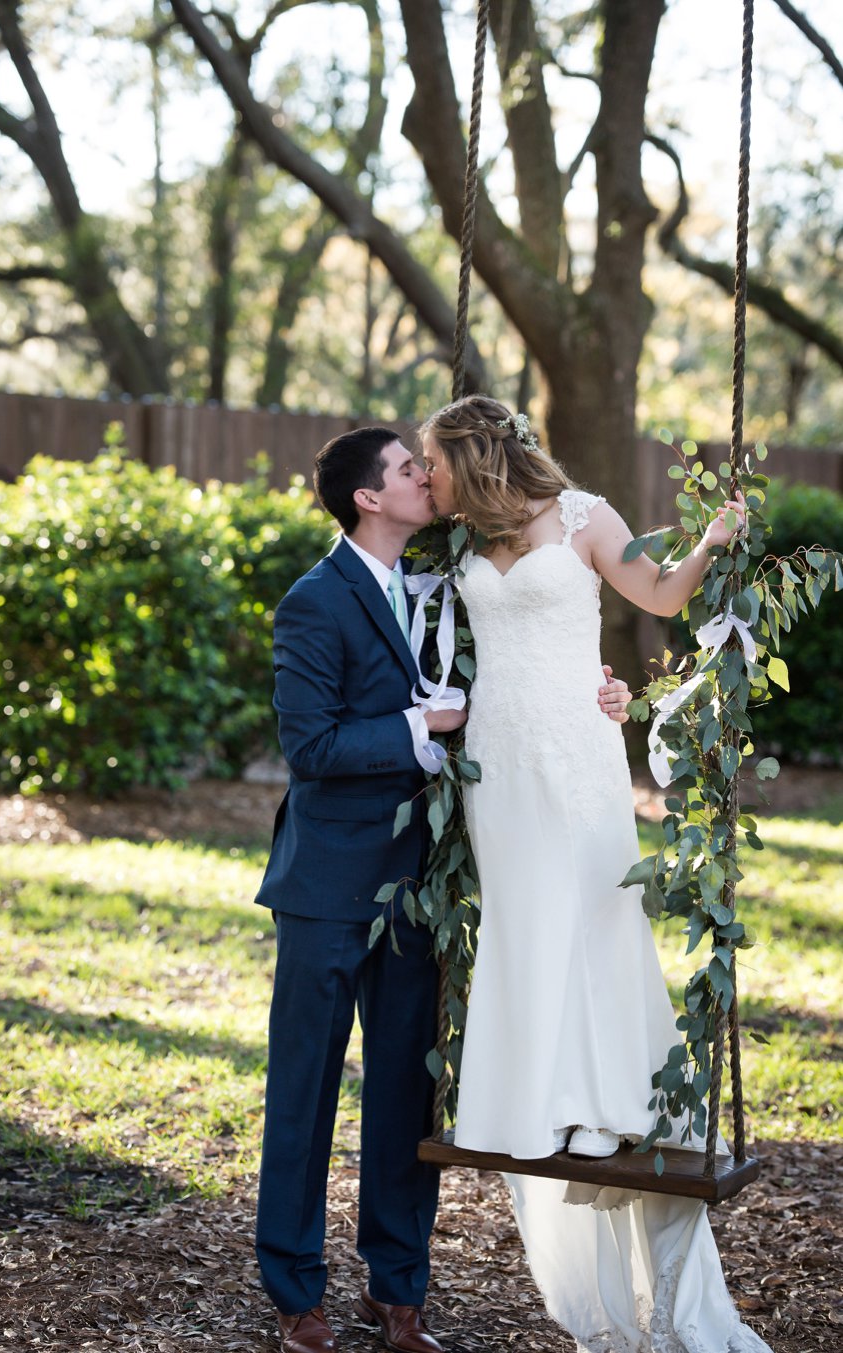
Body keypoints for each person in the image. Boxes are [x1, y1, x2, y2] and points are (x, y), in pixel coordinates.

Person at [253, 424, 632, 1353]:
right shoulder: (314, 601)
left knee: (399, 1096)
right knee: (303, 1089)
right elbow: (311, 748)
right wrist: (421, 726)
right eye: (406, 469)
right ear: (367, 499)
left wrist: (599, 692)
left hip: (421, 883)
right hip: (328, 883)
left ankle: (400, 1289)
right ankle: (298, 1289)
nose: (427, 475)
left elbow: (525, 661)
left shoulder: (449, 565)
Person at [419, 394, 772, 1353]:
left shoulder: (583, 515)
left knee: (588, 914)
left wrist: (714, 537)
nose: (428, 477)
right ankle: (529, 1100)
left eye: (435, 462)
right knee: (525, 921)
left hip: (574, 754)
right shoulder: (454, 540)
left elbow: (660, 596)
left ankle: (595, 1106)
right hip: (497, 760)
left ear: (476, 454)